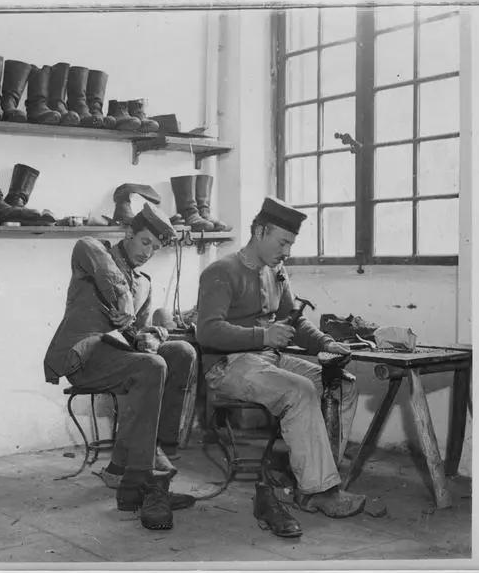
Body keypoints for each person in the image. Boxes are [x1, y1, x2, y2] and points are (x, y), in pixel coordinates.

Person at [196, 197, 367, 538]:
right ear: (260, 231)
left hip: (265, 359)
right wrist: (263, 333)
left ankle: (316, 478)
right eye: (283, 241)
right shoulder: (221, 271)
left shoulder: (276, 271)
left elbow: (294, 322)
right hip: (227, 366)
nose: (287, 250)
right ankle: (320, 490)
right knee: (299, 389)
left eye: (291, 243)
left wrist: (325, 343)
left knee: (341, 383)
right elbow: (207, 331)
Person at [44, 203, 196, 531]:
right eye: (144, 243)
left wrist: (149, 339)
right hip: (85, 358)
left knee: (180, 352)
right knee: (152, 368)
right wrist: (123, 297)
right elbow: (92, 253)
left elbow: (138, 334)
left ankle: (143, 466)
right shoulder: (94, 251)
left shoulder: (144, 281)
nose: (148, 253)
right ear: (128, 233)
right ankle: (137, 487)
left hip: (121, 358)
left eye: (155, 248)